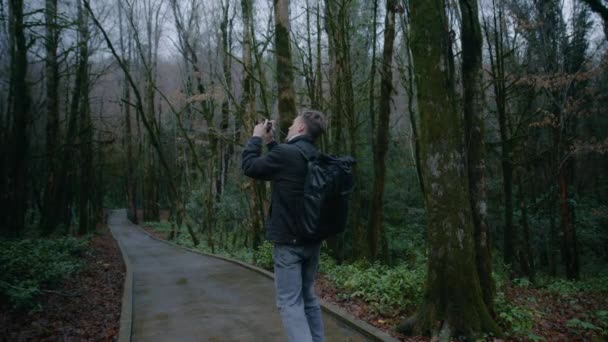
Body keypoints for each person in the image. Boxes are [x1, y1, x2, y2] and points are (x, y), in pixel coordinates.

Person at [241, 110, 327, 342]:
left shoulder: (286, 154)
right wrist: (271, 143)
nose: (288, 127)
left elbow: (249, 166)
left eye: (292, 124)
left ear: (300, 129)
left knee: (289, 302)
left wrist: (256, 137)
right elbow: (285, 169)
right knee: (308, 299)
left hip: (289, 244)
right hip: (313, 240)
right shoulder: (315, 156)